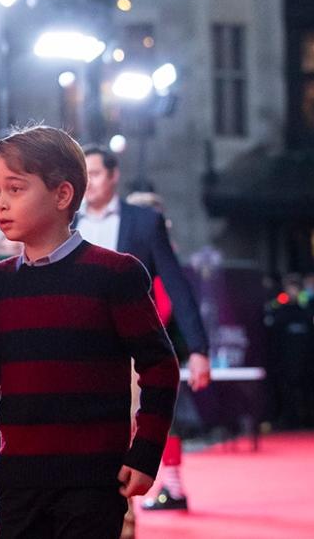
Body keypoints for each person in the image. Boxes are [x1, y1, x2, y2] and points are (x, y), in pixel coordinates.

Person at [0, 125, 179, 539]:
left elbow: (159, 366)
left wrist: (147, 450)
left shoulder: (114, 274)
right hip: (20, 478)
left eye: (15, 189)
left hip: (92, 479)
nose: (0, 204)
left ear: (63, 195)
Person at [77, 146, 209, 517]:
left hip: (128, 348)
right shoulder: (68, 222)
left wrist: (198, 347)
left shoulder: (144, 222)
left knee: (124, 434)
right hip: (74, 348)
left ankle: (122, 520)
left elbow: (177, 285)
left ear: (115, 175)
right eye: (84, 174)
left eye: (97, 173)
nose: (90, 183)